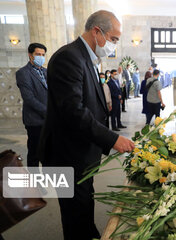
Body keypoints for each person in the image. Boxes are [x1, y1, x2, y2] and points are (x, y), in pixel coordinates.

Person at [38, 10, 135, 240]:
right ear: (96, 32)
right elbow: (74, 111)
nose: (114, 45)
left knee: (82, 210)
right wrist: (113, 139)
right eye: (113, 39)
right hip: (67, 155)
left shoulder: (88, 58)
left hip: (81, 154)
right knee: (75, 217)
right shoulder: (68, 57)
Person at [16, 42, 48, 171]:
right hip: (35, 120)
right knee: (35, 153)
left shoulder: (46, 71)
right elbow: (29, 98)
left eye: (43, 55)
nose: (41, 57)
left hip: (48, 120)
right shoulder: (23, 73)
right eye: (38, 54)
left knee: (48, 152)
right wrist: (48, 112)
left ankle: (49, 179)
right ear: (30, 55)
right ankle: (34, 184)